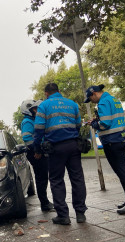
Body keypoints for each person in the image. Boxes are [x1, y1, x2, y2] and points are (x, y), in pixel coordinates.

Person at [33, 83, 87, 225]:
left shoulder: (44, 106)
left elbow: (38, 129)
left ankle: (63, 215)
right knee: (77, 178)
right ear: (59, 91)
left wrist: (37, 149)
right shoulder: (72, 104)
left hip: (55, 148)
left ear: (46, 93)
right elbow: (78, 124)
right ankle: (80, 214)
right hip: (74, 145)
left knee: (57, 180)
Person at [85, 84, 125, 215]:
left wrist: (94, 123)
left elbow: (105, 124)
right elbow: (111, 119)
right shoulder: (114, 100)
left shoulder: (103, 102)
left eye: (90, 98)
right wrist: (98, 119)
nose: (91, 101)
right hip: (120, 138)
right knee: (123, 170)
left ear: (94, 94)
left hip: (112, 141)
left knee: (121, 171)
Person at [20, 99, 54, 212]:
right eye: (33, 109)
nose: (36, 111)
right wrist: (37, 151)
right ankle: (44, 204)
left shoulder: (32, 120)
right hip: (35, 152)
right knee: (41, 178)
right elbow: (27, 139)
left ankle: (45, 202)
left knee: (43, 177)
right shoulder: (27, 122)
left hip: (38, 151)